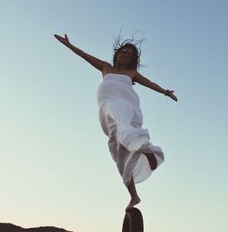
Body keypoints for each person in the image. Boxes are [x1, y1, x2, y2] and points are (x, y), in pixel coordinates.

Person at [54, 33, 178, 211]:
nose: (125, 53)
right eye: (123, 50)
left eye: (130, 53)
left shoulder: (131, 73)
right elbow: (84, 55)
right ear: (117, 54)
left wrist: (165, 91)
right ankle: (134, 195)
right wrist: (68, 44)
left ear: (133, 59)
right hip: (106, 110)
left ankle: (146, 149)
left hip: (125, 105)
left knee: (123, 124)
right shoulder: (105, 67)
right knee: (118, 149)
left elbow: (150, 83)